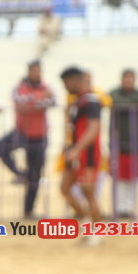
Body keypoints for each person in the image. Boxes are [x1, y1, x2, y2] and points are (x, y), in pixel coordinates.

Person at [0, 60, 55, 218]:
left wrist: (30, 101)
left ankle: (28, 210)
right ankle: (20, 174)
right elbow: (20, 104)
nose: (37, 74)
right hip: (21, 132)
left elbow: (53, 101)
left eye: (39, 71)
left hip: (39, 135)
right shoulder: (20, 87)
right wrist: (39, 99)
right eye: (34, 71)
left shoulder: (46, 87)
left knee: (36, 175)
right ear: (28, 71)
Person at [58, 66, 104, 243]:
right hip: (73, 153)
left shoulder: (91, 101)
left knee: (88, 192)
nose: (65, 86)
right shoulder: (77, 102)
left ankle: (98, 233)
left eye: (66, 82)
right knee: (64, 188)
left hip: (87, 154)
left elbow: (93, 129)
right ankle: (86, 224)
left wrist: (78, 149)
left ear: (76, 80)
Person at [108, 68, 138, 219]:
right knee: (119, 178)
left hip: (137, 144)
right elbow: (115, 101)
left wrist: (129, 104)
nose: (128, 80)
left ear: (135, 80)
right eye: (126, 77)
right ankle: (119, 207)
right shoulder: (114, 94)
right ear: (121, 79)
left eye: (131, 78)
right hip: (119, 144)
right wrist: (135, 105)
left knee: (133, 178)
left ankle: (129, 207)